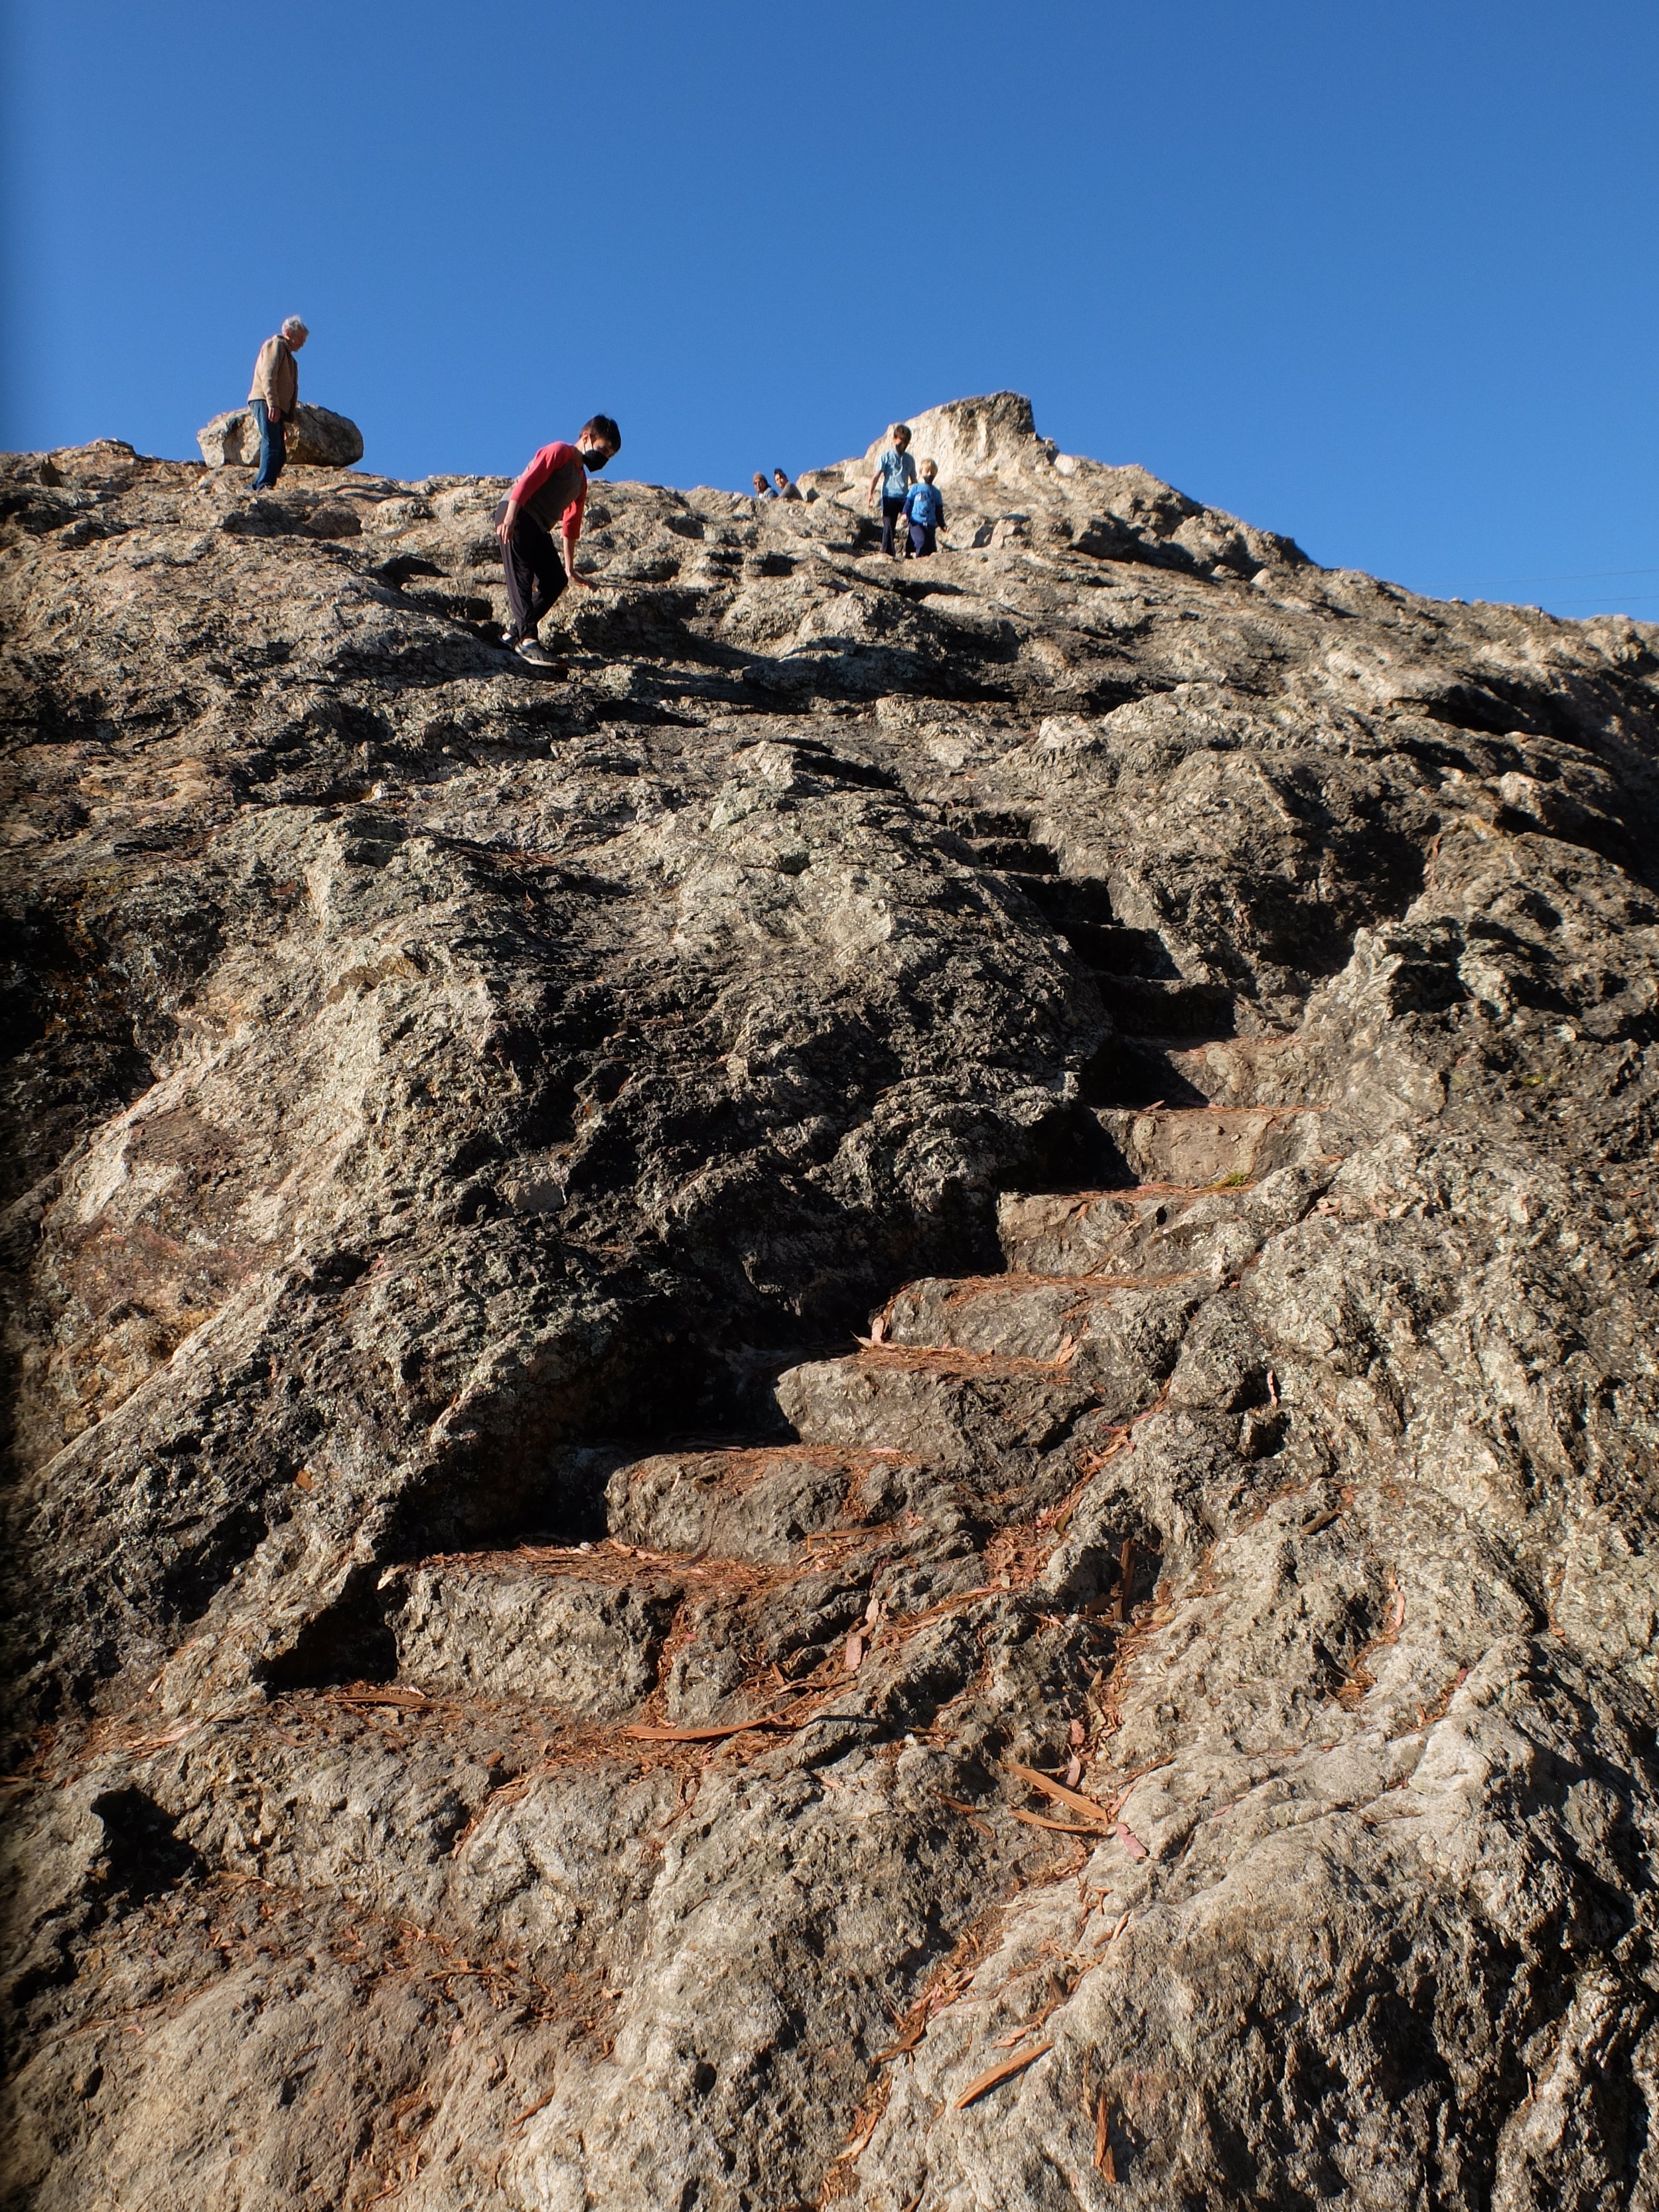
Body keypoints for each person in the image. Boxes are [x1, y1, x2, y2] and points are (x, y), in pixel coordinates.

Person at [493, 415, 621, 665]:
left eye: (610, 456)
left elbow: (572, 524)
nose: (604, 458)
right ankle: (528, 640)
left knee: (555, 580)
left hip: (538, 526)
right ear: (587, 438)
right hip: (517, 515)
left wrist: (570, 569)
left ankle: (512, 635)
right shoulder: (559, 451)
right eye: (603, 449)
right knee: (522, 575)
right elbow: (529, 481)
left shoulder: (581, 481)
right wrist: (509, 516)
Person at [247, 316, 308, 490]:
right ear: (288, 333)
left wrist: (287, 420)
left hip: (275, 405)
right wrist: (272, 403)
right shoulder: (276, 346)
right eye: (300, 338)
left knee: (280, 451)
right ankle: (263, 484)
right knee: (272, 442)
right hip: (265, 400)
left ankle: (261, 483)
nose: (302, 343)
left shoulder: (290, 359)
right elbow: (269, 375)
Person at [867, 423, 916, 555]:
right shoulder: (886, 456)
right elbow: (876, 476)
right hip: (889, 496)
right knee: (888, 524)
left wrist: (918, 495)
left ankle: (910, 549)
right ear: (894, 439)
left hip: (904, 496)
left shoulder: (910, 460)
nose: (903, 446)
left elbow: (914, 481)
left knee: (915, 519)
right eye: (901, 442)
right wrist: (870, 494)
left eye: (906, 443)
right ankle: (887, 553)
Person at [902, 460, 945, 557]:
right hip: (916, 521)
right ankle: (919, 561)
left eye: (932, 472)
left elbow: (939, 510)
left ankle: (908, 553)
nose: (930, 474)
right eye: (927, 471)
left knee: (931, 548)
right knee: (921, 541)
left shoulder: (937, 493)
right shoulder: (916, 488)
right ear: (921, 473)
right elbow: (909, 502)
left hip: (930, 524)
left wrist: (942, 525)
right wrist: (905, 513)